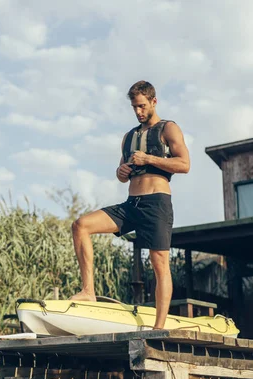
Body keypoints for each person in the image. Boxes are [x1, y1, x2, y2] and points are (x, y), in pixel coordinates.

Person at [70, 80, 190, 329]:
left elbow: (184, 164)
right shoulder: (129, 137)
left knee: (159, 263)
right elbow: (121, 174)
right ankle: (88, 290)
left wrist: (149, 158)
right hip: (131, 204)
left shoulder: (169, 128)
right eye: (135, 107)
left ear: (154, 101)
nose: (138, 111)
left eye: (142, 106)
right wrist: (121, 171)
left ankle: (158, 328)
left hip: (156, 203)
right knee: (81, 225)